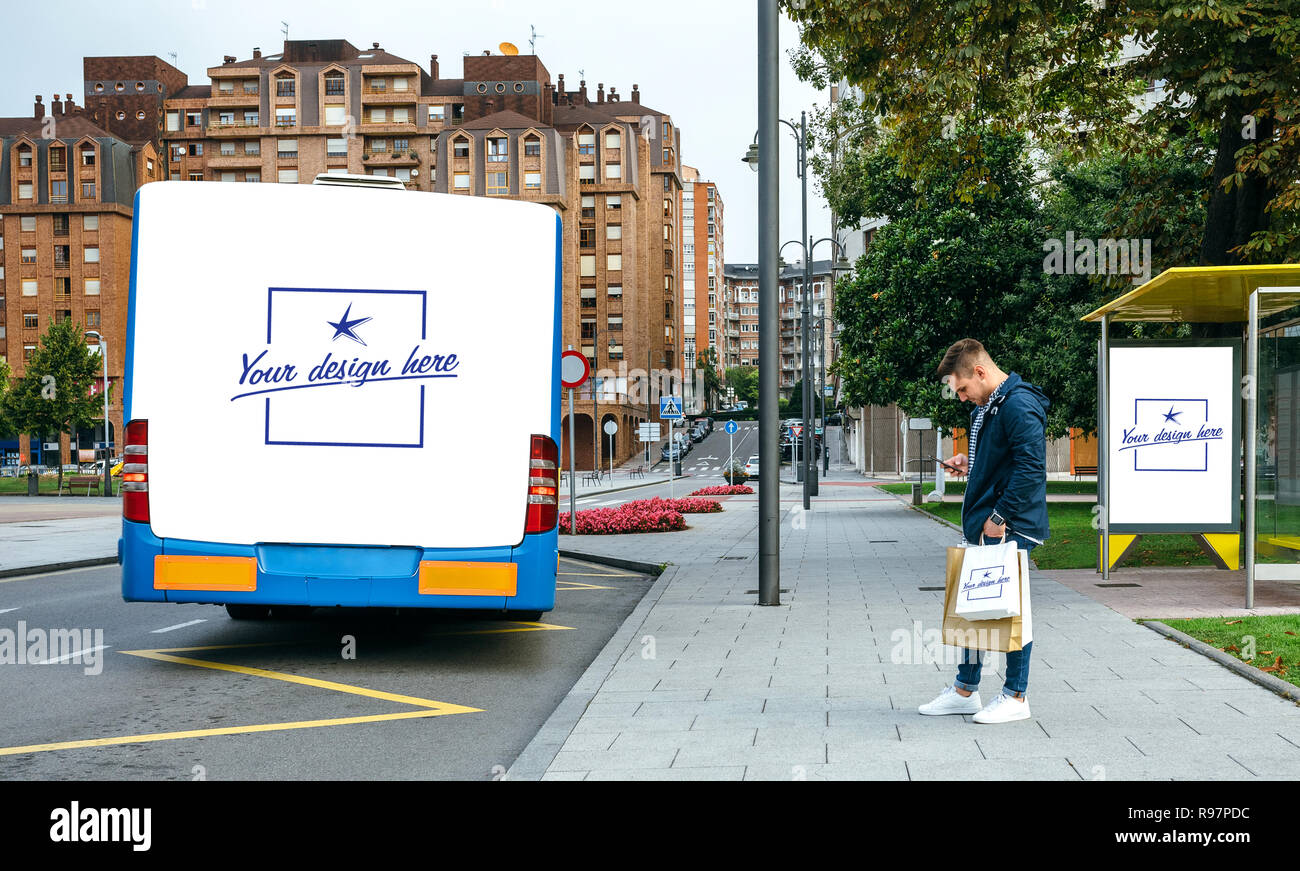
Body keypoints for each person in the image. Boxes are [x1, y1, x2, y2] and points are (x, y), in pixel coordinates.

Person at [918, 338, 1050, 724]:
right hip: (988, 524)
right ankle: (965, 690)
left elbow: (1030, 469)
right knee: (975, 609)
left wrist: (999, 515)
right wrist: (968, 464)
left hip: (1010, 525)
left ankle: (1016, 695)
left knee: (1011, 611)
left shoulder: (1018, 405)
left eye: (962, 388)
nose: (961, 397)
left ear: (980, 372)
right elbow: (1000, 463)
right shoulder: (987, 407)